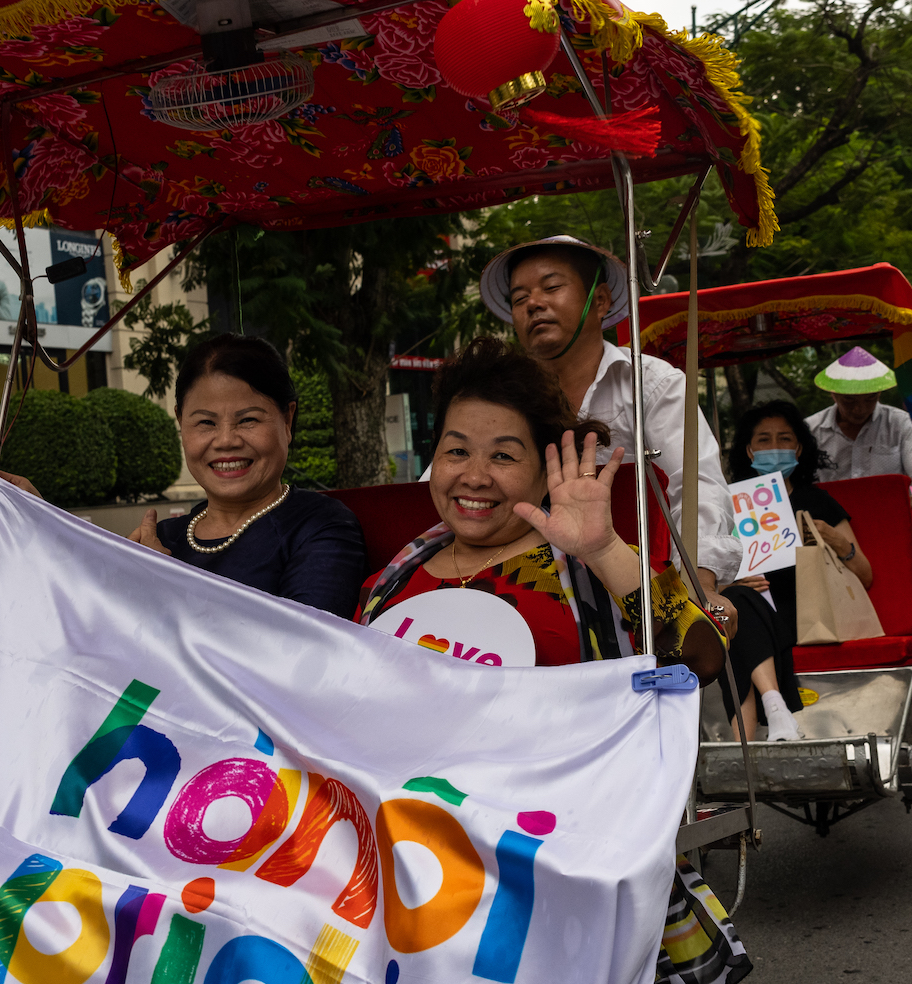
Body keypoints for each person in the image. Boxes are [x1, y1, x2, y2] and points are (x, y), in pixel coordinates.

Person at [358, 336, 723, 682]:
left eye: (503, 455)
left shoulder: (600, 571)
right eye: (457, 451)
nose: (474, 477)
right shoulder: (389, 584)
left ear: (545, 473)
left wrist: (604, 550)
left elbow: (702, 661)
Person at [0, 333, 368, 617]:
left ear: (288, 418)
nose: (226, 441)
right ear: (181, 424)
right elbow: (92, 625)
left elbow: (303, 654)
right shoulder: (161, 539)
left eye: (248, 420)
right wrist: (40, 527)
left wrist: (160, 587)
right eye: (205, 423)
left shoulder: (322, 527)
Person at [479, 235, 739, 636]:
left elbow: (697, 485)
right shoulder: (498, 400)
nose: (533, 303)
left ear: (600, 301)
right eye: (519, 298)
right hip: (524, 594)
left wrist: (700, 584)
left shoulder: (651, 384)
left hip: (643, 588)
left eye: (551, 287)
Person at [716, 400, 871, 740]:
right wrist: (734, 577)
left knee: (739, 617)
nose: (775, 448)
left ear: (799, 448)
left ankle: (745, 743)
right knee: (737, 599)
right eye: (764, 440)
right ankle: (776, 709)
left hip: (808, 612)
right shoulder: (728, 505)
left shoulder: (818, 502)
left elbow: (866, 574)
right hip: (750, 607)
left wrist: (835, 541)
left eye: (784, 439)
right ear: (748, 449)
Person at [803, 347, 912, 501]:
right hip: (831, 520)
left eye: (870, 399)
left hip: (889, 516)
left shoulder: (900, 424)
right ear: (833, 394)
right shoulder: (811, 430)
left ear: (879, 393)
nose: (859, 409)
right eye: (849, 400)